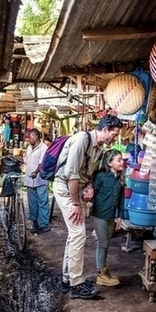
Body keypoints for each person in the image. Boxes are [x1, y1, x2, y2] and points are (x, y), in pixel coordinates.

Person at [53, 114, 124, 300]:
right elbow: (72, 176)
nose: (115, 138)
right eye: (114, 134)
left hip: (77, 190)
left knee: (74, 234)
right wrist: (76, 203)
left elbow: (88, 175)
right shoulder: (81, 140)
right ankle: (76, 285)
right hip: (65, 188)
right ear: (106, 129)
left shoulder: (99, 148)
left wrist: (89, 187)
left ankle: (66, 279)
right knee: (78, 233)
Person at [91, 149, 124, 287]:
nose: (122, 162)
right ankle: (101, 274)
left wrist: (120, 216)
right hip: (99, 214)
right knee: (103, 243)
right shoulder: (100, 176)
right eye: (119, 160)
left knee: (106, 244)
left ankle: (104, 270)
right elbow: (93, 193)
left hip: (111, 215)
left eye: (122, 159)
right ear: (110, 163)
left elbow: (121, 199)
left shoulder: (120, 178)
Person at [23, 128, 51, 234]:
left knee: (42, 202)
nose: (28, 140)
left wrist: (35, 172)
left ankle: (43, 224)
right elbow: (25, 161)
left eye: (30, 137)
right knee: (32, 203)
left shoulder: (44, 148)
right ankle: (35, 223)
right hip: (30, 180)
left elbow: (41, 163)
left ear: (35, 136)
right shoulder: (29, 148)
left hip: (41, 180)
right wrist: (15, 158)